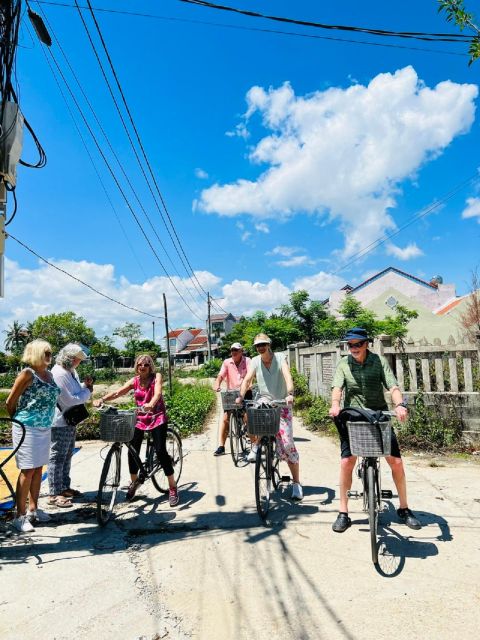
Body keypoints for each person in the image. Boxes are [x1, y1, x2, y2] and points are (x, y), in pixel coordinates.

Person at [329, 327, 421, 533]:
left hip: (379, 417)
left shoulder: (378, 361)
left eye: (358, 344)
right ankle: (343, 512)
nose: (353, 348)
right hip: (354, 417)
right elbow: (337, 388)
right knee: (347, 462)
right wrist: (335, 405)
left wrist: (399, 405)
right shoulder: (344, 364)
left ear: (366, 344)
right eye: (350, 344)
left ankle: (404, 509)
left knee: (396, 462)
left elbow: (393, 387)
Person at [94, 354, 179, 507]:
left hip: (157, 416)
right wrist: (103, 399)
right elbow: (117, 392)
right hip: (139, 418)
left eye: (146, 365)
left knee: (160, 451)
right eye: (140, 364)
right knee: (132, 451)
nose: (142, 367)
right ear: (136, 367)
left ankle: (172, 486)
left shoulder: (156, 376)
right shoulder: (135, 380)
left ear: (150, 366)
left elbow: (158, 393)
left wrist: (151, 404)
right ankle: (134, 483)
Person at [237, 333, 303, 501]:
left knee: (287, 443)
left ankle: (296, 483)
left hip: (281, 402)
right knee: (254, 419)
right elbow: (247, 379)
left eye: (263, 344)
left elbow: (287, 376)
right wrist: (241, 396)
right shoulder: (255, 361)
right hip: (265, 400)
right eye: (258, 345)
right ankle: (258, 446)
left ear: (269, 345)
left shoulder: (280, 357)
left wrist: (289, 394)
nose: (260, 348)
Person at [6, 340, 61, 533]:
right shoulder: (27, 374)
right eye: (46, 352)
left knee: (38, 470)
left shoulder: (50, 375)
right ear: (36, 353)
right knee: (27, 471)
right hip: (27, 427)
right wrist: (19, 422)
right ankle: (19, 516)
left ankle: (33, 509)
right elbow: (10, 402)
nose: (49, 355)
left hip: (44, 427)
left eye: (50, 352)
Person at [48, 343, 93, 507]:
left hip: (68, 420)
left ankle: (64, 487)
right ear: (70, 358)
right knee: (57, 457)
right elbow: (69, 399)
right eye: (77, 360)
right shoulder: (59, 374)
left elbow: (73, 391)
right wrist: (88, 392)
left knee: (66, 455)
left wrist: (84, 387)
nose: (78, 363)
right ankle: (54, 493)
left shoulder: (70, 372)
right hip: (60, 421)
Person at [212, 342, 251, 456]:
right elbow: (221, 375)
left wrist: (250, 384)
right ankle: (221, 446)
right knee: (225, 419)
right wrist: (217, 383)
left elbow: (251, 375)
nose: (234, 352)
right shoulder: (227, 362)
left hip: (246, 392)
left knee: (247, 416)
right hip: (231, 393)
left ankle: (253, 441)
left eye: (236, 350)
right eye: (232, 350)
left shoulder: (248, 361)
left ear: (241, 351)